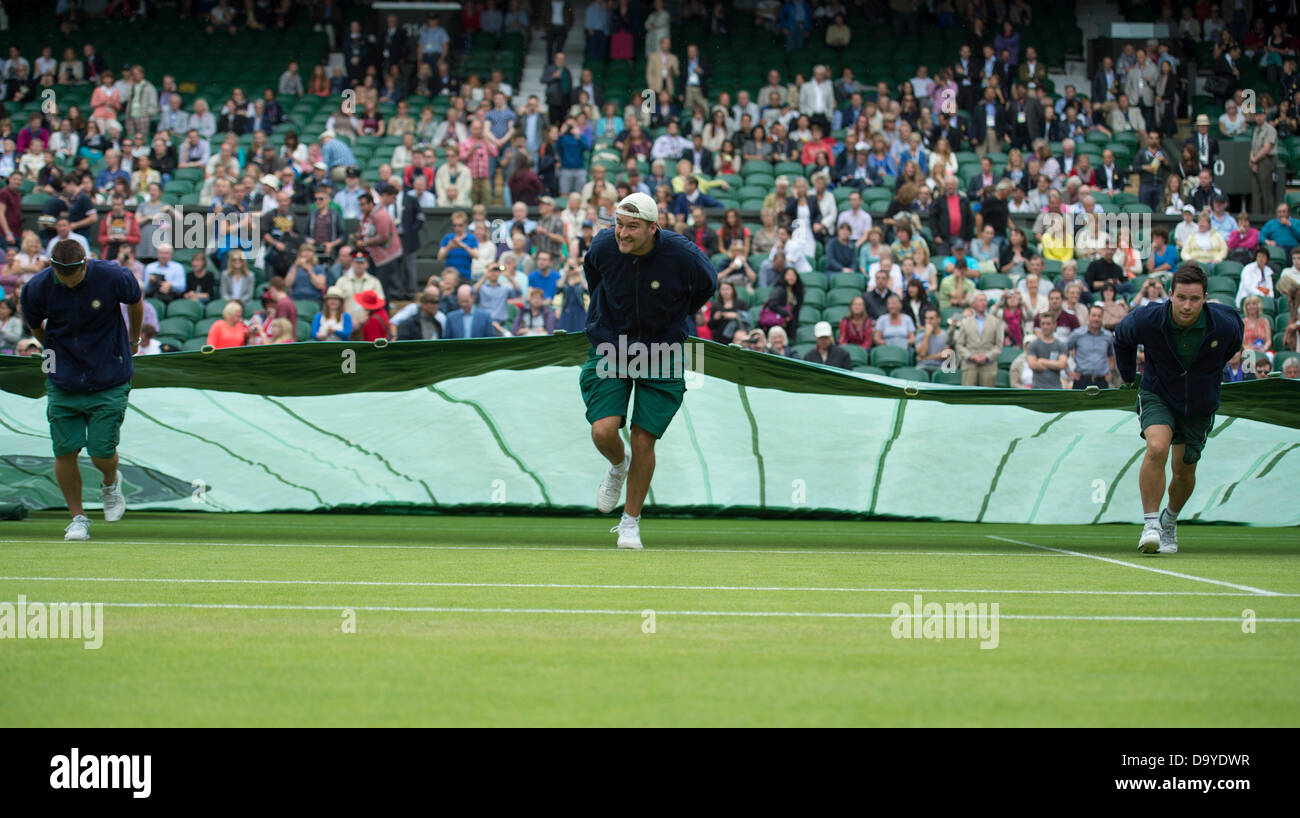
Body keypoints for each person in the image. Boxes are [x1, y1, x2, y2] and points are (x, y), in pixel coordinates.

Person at [583, 192, 716, 549]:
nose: (623, 234)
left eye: (633, 227)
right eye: (619, 225)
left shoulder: (682, 253)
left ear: (653, 228)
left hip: (665, 349)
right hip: (611, 343)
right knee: (602, 431)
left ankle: (630, 522)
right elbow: (593, 274)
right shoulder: (602, 245)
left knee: (644, 438)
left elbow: (708, 284)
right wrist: (603, 312)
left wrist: (676, 312)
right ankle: (617, 465)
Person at [1114, 264, 1244, 554]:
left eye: (1195, 299)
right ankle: (1150, 524)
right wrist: (1126, 376)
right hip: (1157, 392)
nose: (1187, 306)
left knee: (1183, 471)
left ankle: (1169, 519)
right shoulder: (1147, 318)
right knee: (1157, 447)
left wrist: (1207, 373)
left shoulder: (1225, 323)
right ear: (1170, 294)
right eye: (1181, 297)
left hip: (1200, 402)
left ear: (1205, 298)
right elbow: (1122, 337)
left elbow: (1233, 345)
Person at [19, 239, 142, 541]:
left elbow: (136, 301)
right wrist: (51, 350)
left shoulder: (114, 275)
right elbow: (36, 326)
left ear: (85, 264)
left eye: (73, 275)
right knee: (64, 449)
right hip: (62, 377)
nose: (69, 281)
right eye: (62, 276)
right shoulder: (36, 288)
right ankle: (78, 518)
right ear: (53, 268)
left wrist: (134, 340)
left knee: (101, 450)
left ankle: (110, 482)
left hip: (110, 373)